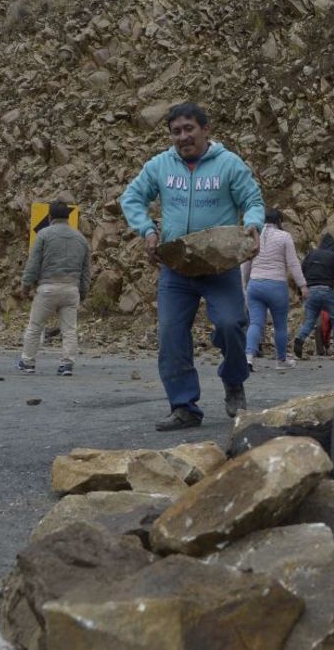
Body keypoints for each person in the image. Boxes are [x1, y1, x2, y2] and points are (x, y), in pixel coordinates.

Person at [120, 102, 265, 431]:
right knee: (171, 334)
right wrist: (147, 230)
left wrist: (254, 224)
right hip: (176, 267)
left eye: (189, 129)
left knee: (231, 324)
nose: (183, 137)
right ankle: (184, 406)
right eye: (176, 131)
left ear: (205, 129)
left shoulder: (229, 165)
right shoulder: (160, 165)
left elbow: (253, 201)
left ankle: (233, 382)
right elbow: (131, 197)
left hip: (219, 265)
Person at [17, 201, 91, 376]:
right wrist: (83, 292)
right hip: (72, 289)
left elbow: (33, 264)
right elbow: (86, 270)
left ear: (50, 217)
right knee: (69, 330)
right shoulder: (81, 239)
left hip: (48, 288)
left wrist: (26, 286)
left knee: (35, 326)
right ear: (68, 217)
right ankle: (67, 364)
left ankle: (28, 361)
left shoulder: (43, 235)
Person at [242, 208, 307, 371]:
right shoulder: (284, 236)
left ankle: (248, 357)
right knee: (280, 325)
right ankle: (281, 360)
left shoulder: (254, 235)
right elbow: (293, 263)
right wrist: (303, 286)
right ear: (279, 221)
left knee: (255, 323)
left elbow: (246, 262)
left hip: (255, 285)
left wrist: (244, 284)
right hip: (276, 285)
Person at [292, 233, 334, 360]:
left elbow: (300, 273)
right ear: (332, 246)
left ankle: (299, 338)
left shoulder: (310, 255)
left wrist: (299, 291)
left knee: (309, 320)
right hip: (326, 291)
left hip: (310, 292)